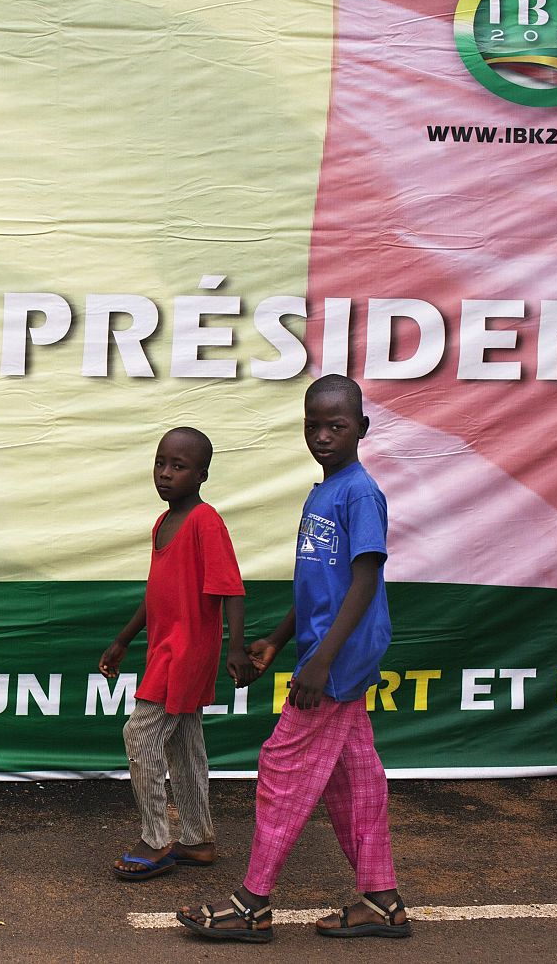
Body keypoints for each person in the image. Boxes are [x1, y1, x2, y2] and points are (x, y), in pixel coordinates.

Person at [178, 374, 409, 940]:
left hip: (340, 657)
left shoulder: (359, 492)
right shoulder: (321, 492)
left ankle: (252, 905)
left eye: (338, 425)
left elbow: (363, 579)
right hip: (323, 650)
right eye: (314, 425)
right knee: (355, 780)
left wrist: (323, 661)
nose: (324, 435)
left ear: (362, 429)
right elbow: (317, 585)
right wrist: (280, 640)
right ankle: (382, 901)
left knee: (282, 765)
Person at [99, 427, 253, 881]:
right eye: (160, 463)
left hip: (186, 653)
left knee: (140, 735)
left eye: (179, 467)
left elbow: (231, 589)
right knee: (185, 746)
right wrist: (124, 639)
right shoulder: (163, 522)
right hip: (165, 649)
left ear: (202, 475)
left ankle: (154, 837)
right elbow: (157, 593)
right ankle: (197, 839)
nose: (165, 474)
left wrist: (237, 646)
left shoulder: (206, 521)